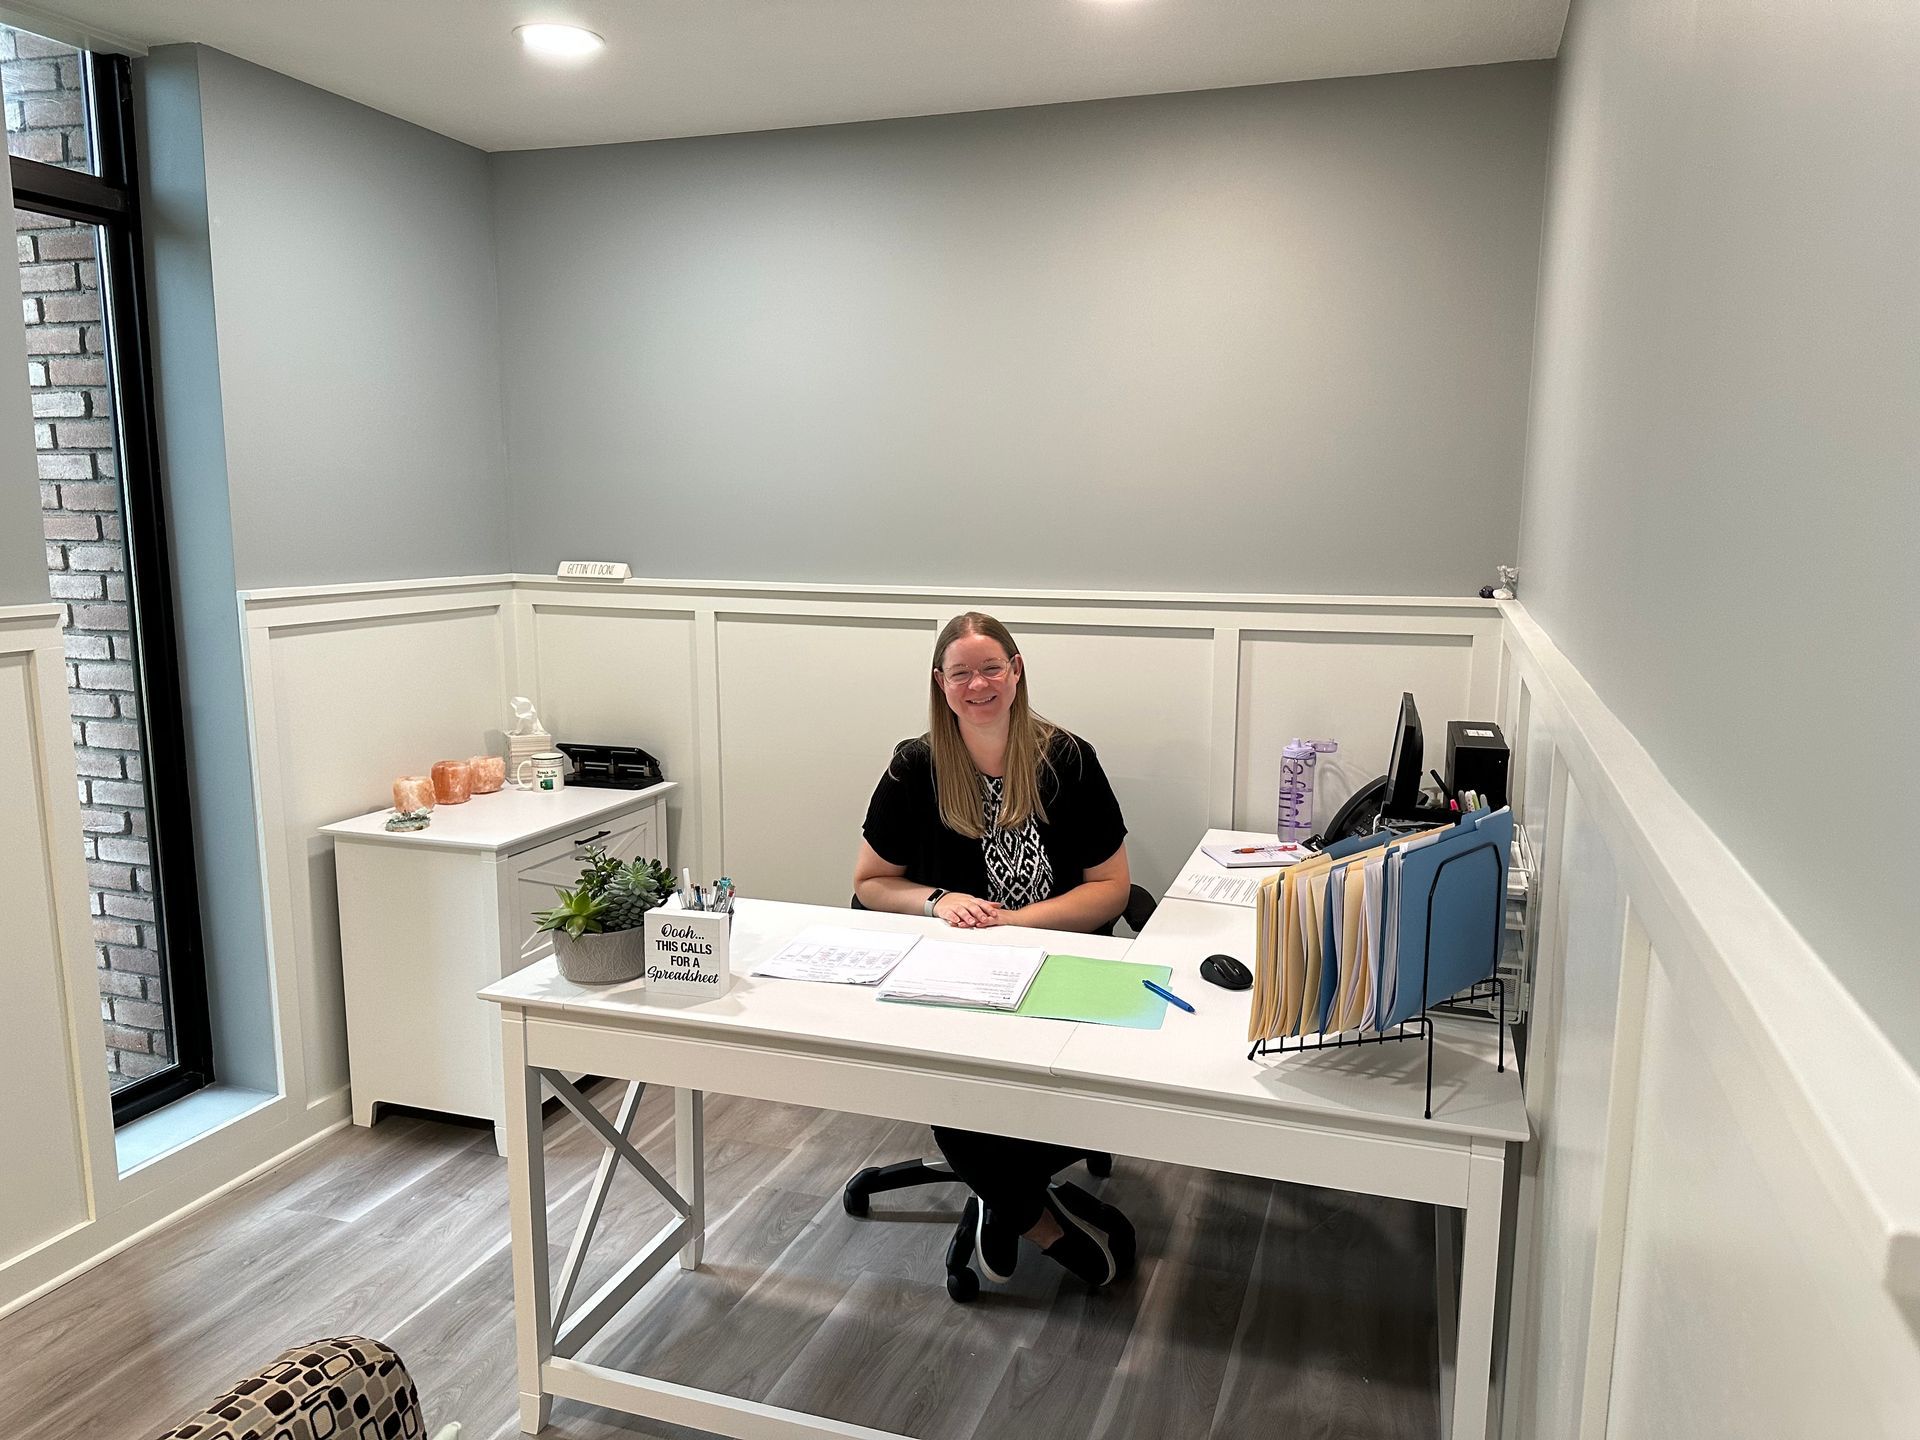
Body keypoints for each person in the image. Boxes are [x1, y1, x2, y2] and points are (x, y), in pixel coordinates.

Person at [854, 610, 1137, 1289]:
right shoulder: (915, 765)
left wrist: (1022, 923)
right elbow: (869, 884)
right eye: (961, 673)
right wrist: (934, 901)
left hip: (1058, 963)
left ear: (1016, 673)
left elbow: (1113, 888)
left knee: (1034, 1092)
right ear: (940, 684)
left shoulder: (1066, 758)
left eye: (990, 668)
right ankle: (1035, 1220)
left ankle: (1003, 1202)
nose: (977, 684)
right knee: (958, 1079)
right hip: (955, 973)